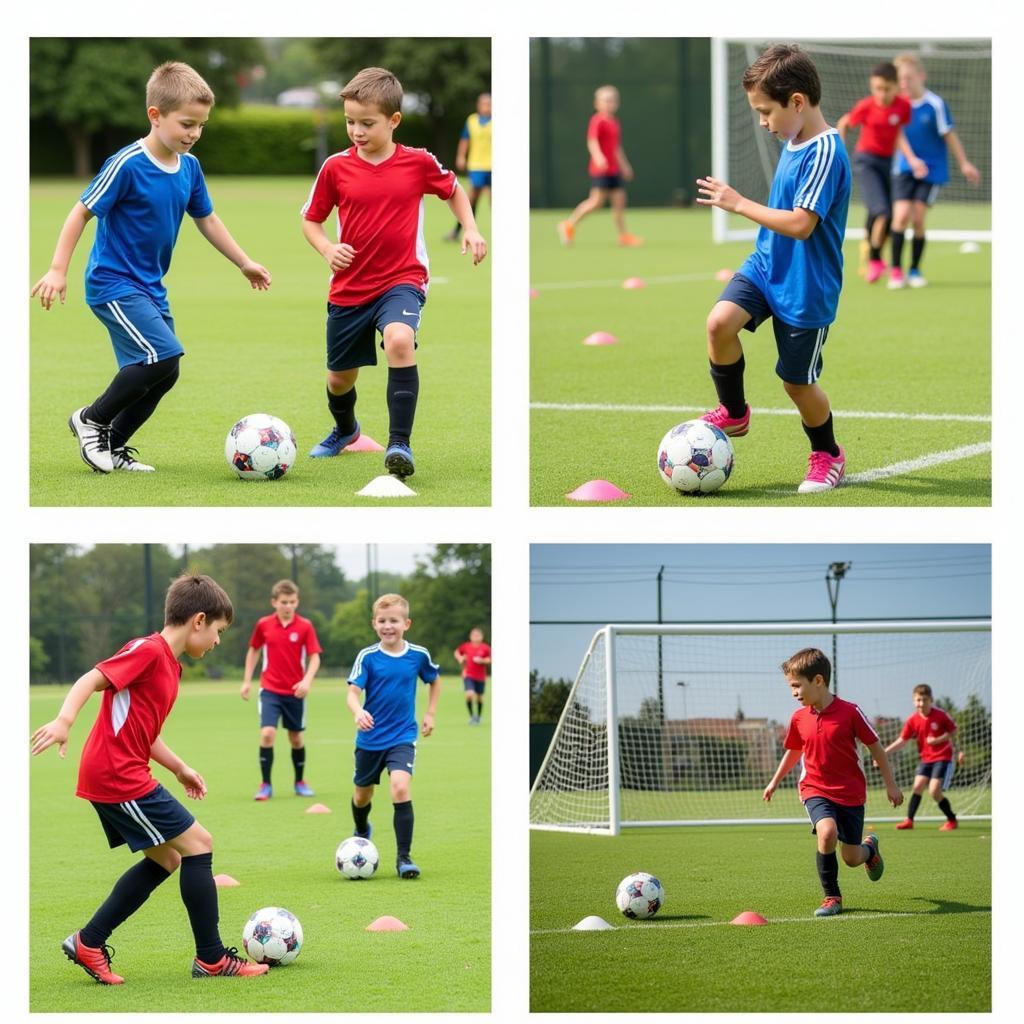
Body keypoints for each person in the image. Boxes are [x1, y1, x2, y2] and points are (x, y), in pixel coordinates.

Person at [30, 61, 271, 474]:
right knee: (161, 355)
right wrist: (57, 269)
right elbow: (80, 212)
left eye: (201, 126)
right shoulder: (127, 164)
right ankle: (91, 419)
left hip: (149, 288)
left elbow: (207, 219)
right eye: (186, 124)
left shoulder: (190, 168)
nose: (194, 134)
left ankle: (113, 448)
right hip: (113, 284)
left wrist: (244, 261)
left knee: (166, 371)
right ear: (155, 116)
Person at [29, 573, 269, 983]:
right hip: (117, 775)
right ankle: (211, 959)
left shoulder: (169, 667)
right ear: (198, 620)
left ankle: (88, 942)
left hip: (119, 771)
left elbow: (145, 731)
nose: (216, 642)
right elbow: (91, 679)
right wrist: (65, 719)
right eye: (218, 631)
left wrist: (179, 768)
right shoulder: (148, 650)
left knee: (168, 858)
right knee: (199, 845)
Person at [301, 66, 488, 479]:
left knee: (399, 340)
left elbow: (454, 189)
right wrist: (327, 248)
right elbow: (311, 220)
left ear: (393, 120)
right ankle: (346, 430)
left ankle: (399, 444)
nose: (357, 131)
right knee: (338, 379)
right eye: (350, 122)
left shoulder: (417, 162)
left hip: (402, 280)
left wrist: (471, 228)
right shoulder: (335, 167)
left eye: (367, 123)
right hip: (350, 288)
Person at [695, 44, 852, 493]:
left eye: (766, 112)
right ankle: (735, 412)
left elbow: (802, 224)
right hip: (766, 265)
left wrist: (739, 203)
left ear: (797, 101)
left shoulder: (825, 151)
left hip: (806, 287)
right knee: (719, 323)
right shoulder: (794, 137)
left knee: (796, 385)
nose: (763, 122)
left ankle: (828, 453)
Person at [763, 648, 903, 917]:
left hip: (851, 795)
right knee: (826, 833)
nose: (793, 693)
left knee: (851, 858)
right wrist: (774, 781)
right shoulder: (798, 718)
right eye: (790, 687)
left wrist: (891, 784)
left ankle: (870, 848)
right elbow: (794, 751)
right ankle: (832, 897)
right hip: (814, 789)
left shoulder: (850, 712)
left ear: (818, 681)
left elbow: (876, 748)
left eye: (796, 685)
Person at [346, 593, 440, 878]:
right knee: (362, 796)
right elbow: (352, 692)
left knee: (399, 787)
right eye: (383, 621)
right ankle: (362, 829)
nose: (388, 626)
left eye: (394, 621)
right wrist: (358, 711)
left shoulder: (418, 655)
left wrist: (430, 713)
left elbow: (434, 681)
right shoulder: (368, 657)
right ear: (375, 624)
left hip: (402, 736)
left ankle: (404, 858)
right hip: (370, 739)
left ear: (406, 623)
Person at [887, 53, 982, 289]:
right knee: (900, 217)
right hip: (904, 167)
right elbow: (896, 135)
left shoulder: (935, 104)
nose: (904, 83)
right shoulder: (897, 104)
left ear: (921, 76)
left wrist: (964, 163)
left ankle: (915, 269)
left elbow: (949, 134)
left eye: (908, 78)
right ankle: (896, 271)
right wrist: (911, 159)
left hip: (932, 170)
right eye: (900, 79)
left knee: (918, 218)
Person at [240, 579, 322, 801]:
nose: (288, 606)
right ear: (274, 602)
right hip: (270, 690)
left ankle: (300, 782)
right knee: (267, 734)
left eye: (292, 602)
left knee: (295, 738)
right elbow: (253, 651)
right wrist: (247, 680)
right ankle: (265, 784)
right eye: (284, 602)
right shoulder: (263, 625)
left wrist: (307, 681)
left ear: (297, 602)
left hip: (296, 692)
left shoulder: (305, 626)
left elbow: (314, 657)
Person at [836, 62, 918, 284]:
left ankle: (874, 251)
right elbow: (844, 123)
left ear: (896, 87)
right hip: (866, 161)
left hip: (887, 162)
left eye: (886, 89)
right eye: (876, 88)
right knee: (881, 210)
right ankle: (874, 259)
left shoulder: (903, 107)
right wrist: (840, 152)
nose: (881, 94)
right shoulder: (866, 106)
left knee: (887, 214)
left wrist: (911, 158)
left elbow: (898, 132)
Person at [557, 85, 642, 248]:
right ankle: (568, 225)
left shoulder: (614, 122)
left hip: (613, 170)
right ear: (597, 103)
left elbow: (616, 147)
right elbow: (592, 141)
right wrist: (598, 157)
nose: (610, 103)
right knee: (596, 202)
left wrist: (624, 165)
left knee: (620, 201)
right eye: (606, 100)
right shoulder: (597, 120)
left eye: (613, 100)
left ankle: (623, 235)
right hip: (601, 169)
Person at [883, 683, 959, 830]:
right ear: (914, 701)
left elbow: (953, 731)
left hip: (942, 757)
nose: (921, 703)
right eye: (918, 700)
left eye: (924, 700)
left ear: (931, 700)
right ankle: (909, 821)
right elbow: (902, 740)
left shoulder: (940, 715)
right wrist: (884, 752)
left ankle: (952, 819)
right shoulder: (912, 720)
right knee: (917, 786)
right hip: (926, 759)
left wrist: (937, 740)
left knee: (934, 791)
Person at [444, 92, 492, 242]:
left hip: (493, 166)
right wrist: (460, 156)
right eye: (484, 104)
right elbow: (465, 140)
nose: (486, 107)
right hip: (477, 165)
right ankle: (458, 231)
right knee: (472, 200)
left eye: (489, 104)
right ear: (478, 105)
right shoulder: (471, 121)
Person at [454, 627, 491, 724]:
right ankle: (472, 717)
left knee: (479, 697)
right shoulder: (466, 646)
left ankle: (478, 717)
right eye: (474, 635)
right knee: (469, 694)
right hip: (468, 675)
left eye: (478, 635)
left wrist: (482, 660)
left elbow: (490, 659)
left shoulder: (485, 648)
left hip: (481, 677)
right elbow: (457, 652)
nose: (476, 637)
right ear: (470, 637)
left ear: (482, 637)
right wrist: (460, 658)